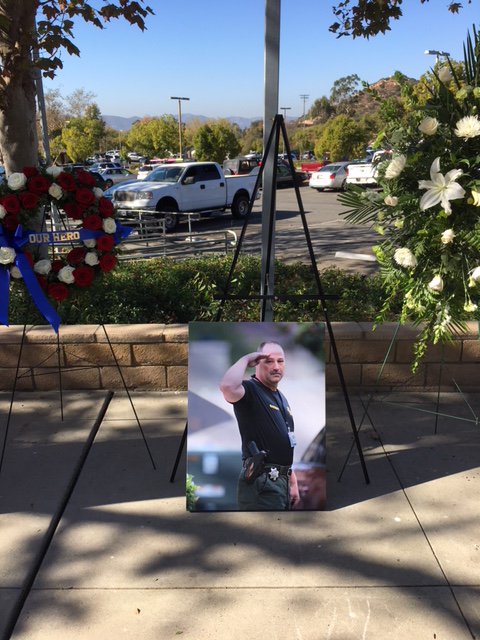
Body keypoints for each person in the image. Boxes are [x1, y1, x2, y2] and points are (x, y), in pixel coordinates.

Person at [219, 341, 300, 511]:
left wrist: (292, 480)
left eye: (280, 361)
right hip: (261, 481)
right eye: (269, 361)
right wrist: (245, 359)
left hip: (281, 481)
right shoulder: (250, 390)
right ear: (257, 364)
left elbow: (283, 442)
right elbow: (227, 386)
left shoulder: (280, 396)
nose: (276, 366)